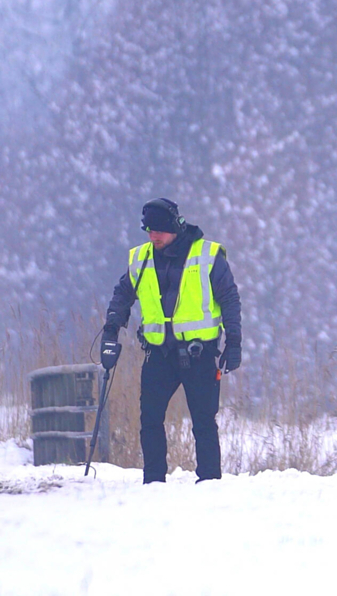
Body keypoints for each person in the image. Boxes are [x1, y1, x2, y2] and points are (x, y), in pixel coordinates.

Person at [101, 198, 242, 483]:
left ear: (176, 227)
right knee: (150, 419)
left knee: (203, 421)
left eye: (159, 231)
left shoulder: (207, 254)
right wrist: (111, 327)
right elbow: (123, 294)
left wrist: (234, 341)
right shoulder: (141, 258)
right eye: (149, 230)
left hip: (199, 354)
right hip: (158, 354)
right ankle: (153, 481)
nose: (153, 236)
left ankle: (209, 482)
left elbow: (229, 298)